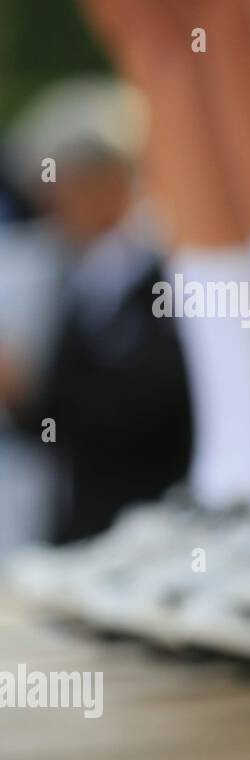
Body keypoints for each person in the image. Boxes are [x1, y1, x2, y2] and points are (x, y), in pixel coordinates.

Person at [0, 78, 191, 544]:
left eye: (62, 187)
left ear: (107, 181)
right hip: (83, 531)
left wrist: (33, 394)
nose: (52, 206)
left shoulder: (170, 269)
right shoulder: (77, 277)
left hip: (152, 530)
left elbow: (157, 411)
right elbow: (58, 436)